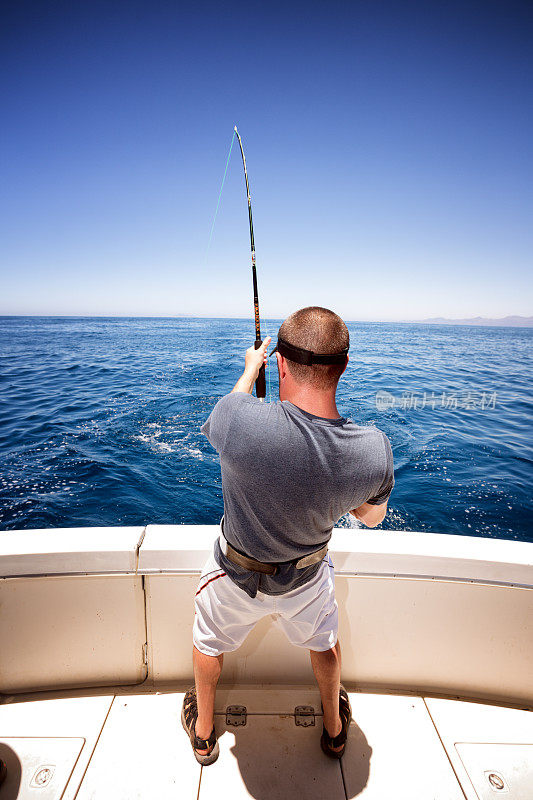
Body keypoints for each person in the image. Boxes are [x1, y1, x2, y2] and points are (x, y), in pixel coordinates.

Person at [181, 306, 394, 765]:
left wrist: (247, 370)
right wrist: (342, 490)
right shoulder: (372, 450)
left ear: (279, 363)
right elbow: (371, 518)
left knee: (206, 643)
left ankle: (203, 736)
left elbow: (230, 409)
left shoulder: (237, 422)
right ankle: (334, 732)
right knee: (326, 644)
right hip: (307, 579)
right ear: (344, 365)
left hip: (235, 576)